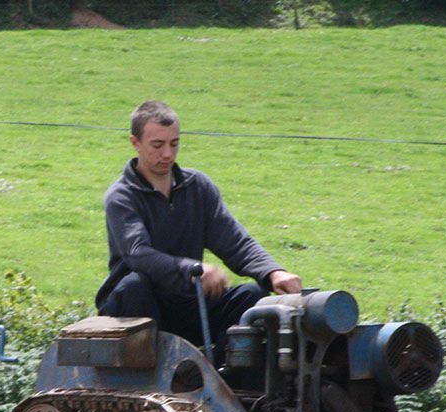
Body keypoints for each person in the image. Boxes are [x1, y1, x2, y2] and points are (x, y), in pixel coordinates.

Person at [95, 100, 302, 360]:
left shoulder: (198, 187)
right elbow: (138, 254)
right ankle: (149, 377)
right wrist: (193, 272)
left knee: (253, 297)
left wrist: (273, 272)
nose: (168, 154)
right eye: (157, 145)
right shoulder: (121, 196)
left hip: (188, 303)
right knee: (135, 284)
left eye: (174, 143)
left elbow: (234, 241)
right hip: (136, 309)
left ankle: (228, 383)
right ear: (135, 143)